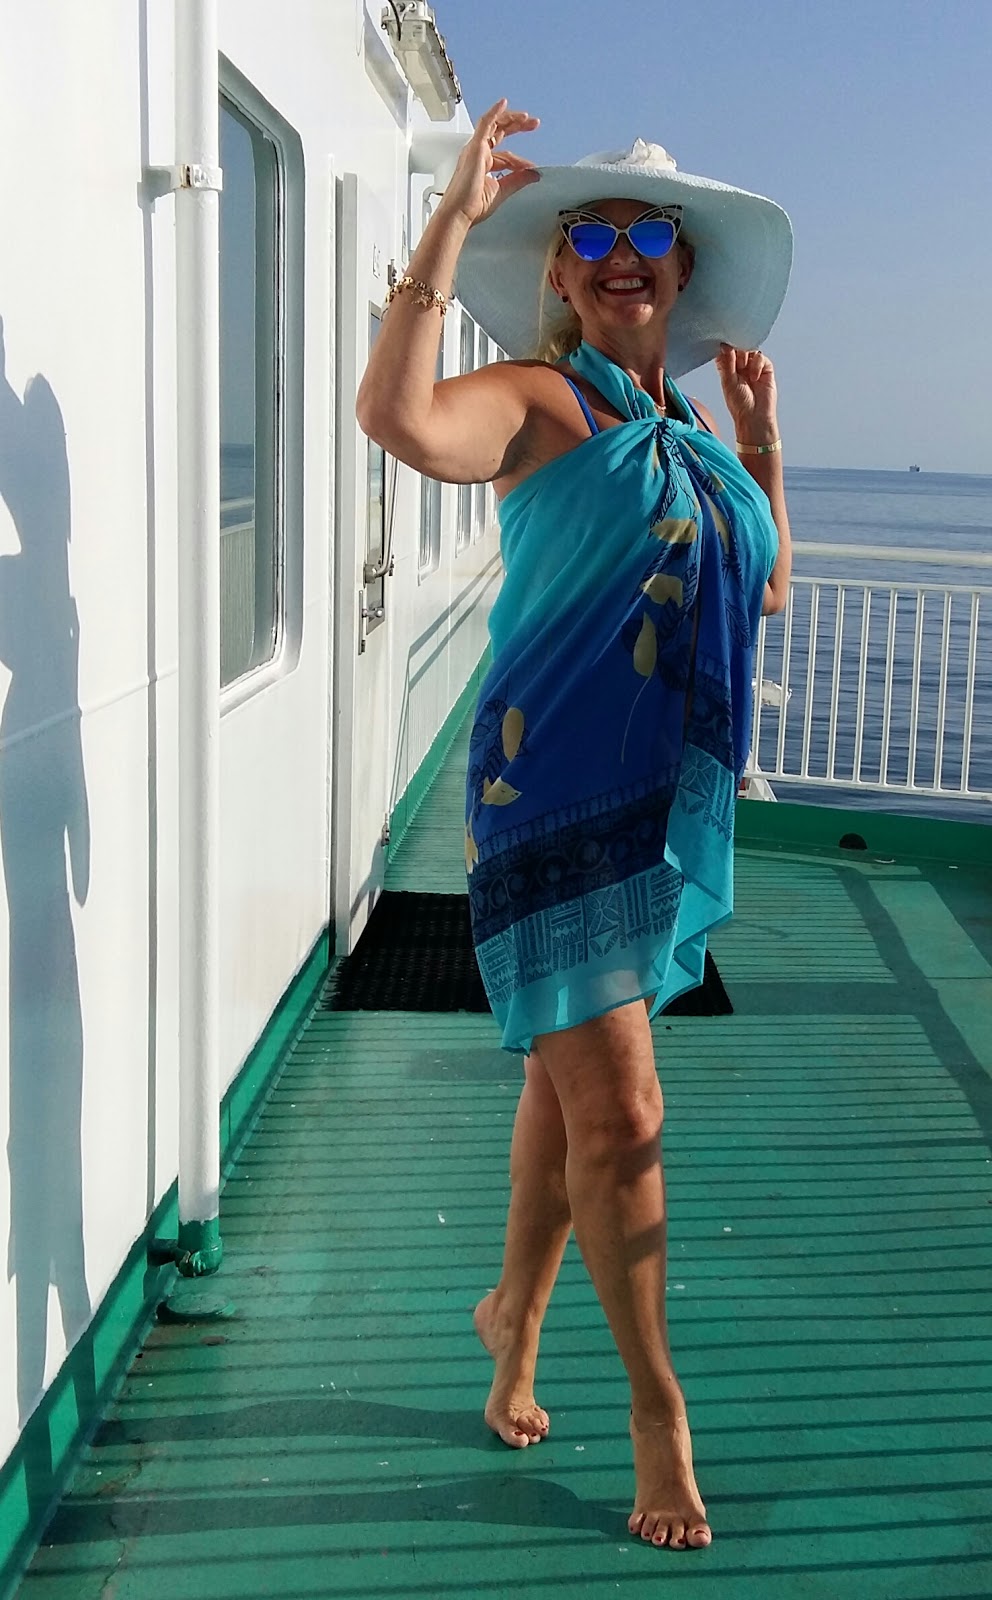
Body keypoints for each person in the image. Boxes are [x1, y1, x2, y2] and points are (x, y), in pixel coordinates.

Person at [357, 99, 793, 1553]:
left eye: (646, 233)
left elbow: (762, 585)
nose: (620, 253)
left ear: (680, 266)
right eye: (591, 233)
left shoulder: (693, 435)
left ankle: (514, 1327)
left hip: (647, 810)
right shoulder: (546, 405)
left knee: (568, 1096)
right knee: (625, 1110)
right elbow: (401, 420)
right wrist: (450, 221)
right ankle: (662, 1416)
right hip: (542, 803)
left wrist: (763, 448)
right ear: (558, 269)